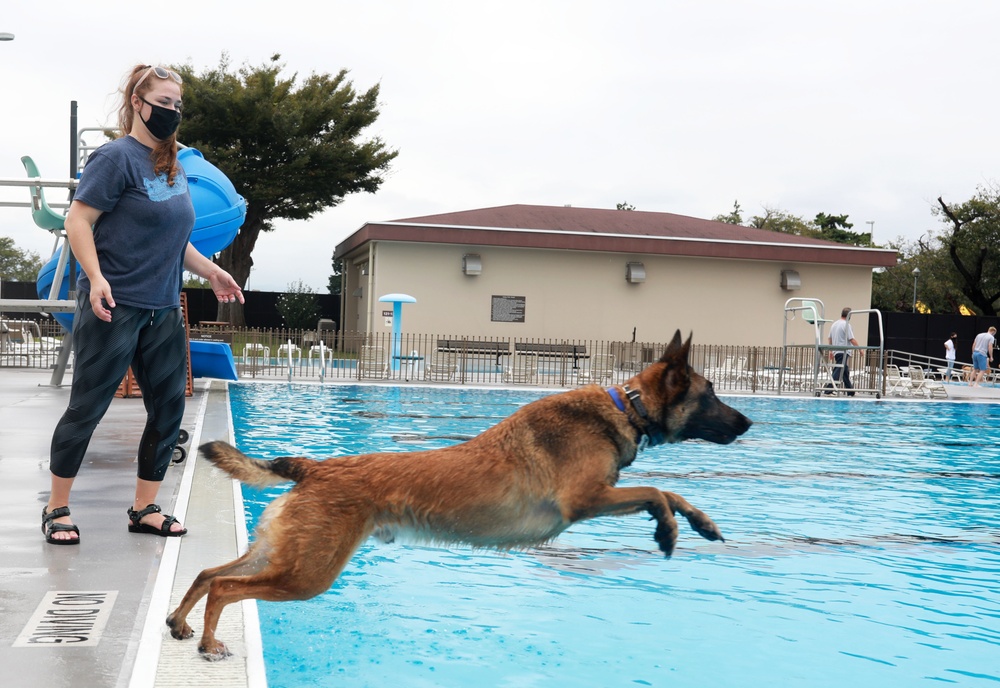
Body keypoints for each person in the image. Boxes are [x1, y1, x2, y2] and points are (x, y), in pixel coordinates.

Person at [42, 65, 245, 544]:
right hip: (116, 304)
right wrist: (94, 279)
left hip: (162, 309)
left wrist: (211, 270)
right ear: (138, 102)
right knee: (87, 409)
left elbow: (177, 238)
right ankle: (57, 508)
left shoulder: (171, 162)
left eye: (178, 105)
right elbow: (78, 222)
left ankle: (144, 508)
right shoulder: (115, 158)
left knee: (169, 410)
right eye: (163, 102)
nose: (171, 111)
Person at [826, 307, 859, 396]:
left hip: (837, 351)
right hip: (843, 351)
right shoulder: (846, 325)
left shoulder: (834, 324)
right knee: (839, 370)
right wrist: (860, 349)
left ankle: (850, 391)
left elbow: (830, 338)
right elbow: (851, 339)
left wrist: (831, 350)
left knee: (845, 371)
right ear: (849, 315)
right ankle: (828, 389)